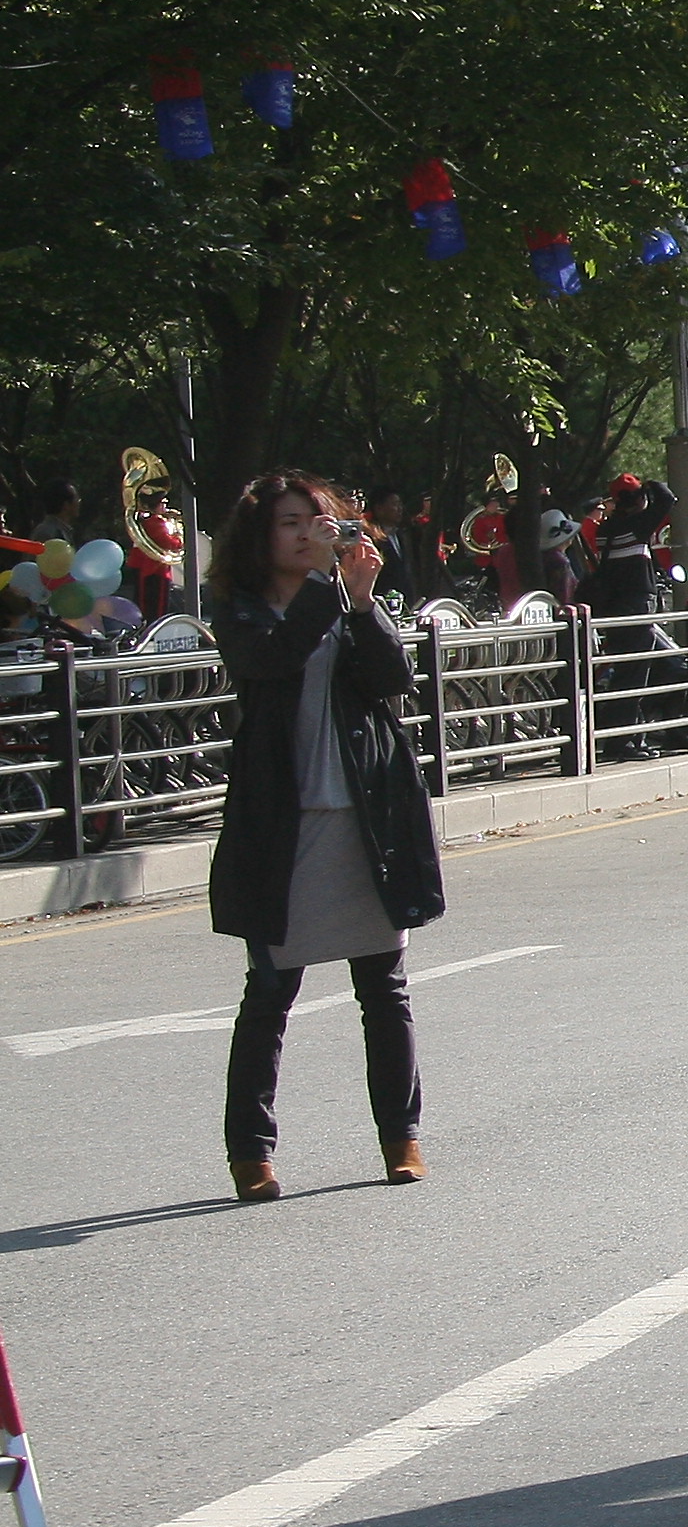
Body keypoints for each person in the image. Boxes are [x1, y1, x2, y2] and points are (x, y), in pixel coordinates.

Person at [204, 472, 446, 1198]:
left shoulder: (344, 601)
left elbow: (390, 679)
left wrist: (364, 602)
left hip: (365, 818)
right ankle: (252, 1152)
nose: (308, 533)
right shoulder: (243, 610)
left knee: (385, 989)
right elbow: (268, 665)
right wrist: (325, 587)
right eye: (289, 524)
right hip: (284, 825)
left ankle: (401, 1140)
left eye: (317, 520)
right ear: (259, 538)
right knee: (271, 990)